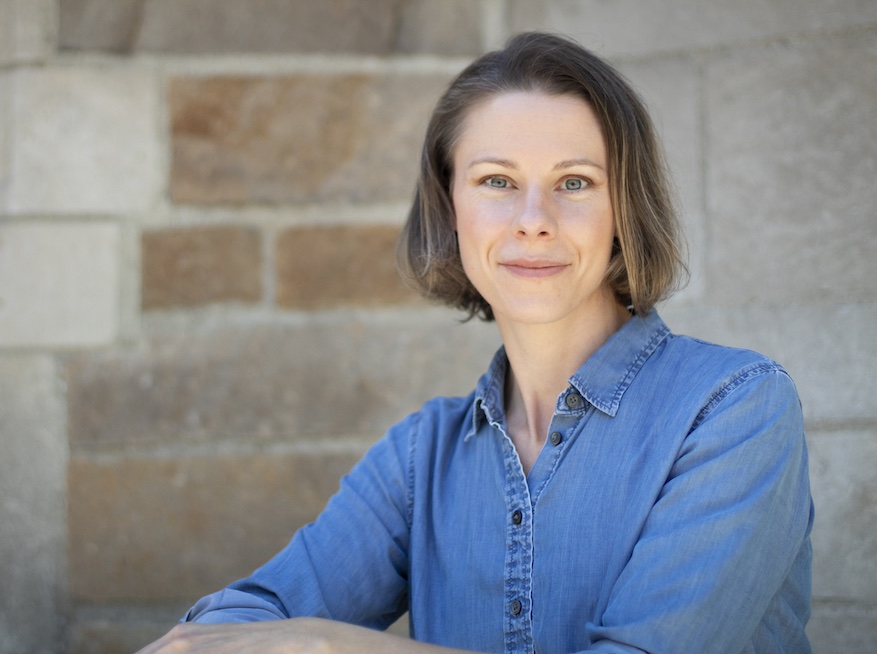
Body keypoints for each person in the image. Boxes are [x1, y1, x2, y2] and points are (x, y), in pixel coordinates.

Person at [139, 32, 813, 654]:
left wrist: (336, 645)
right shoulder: (419, 457)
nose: (532, 222)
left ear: (623, 209)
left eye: (573, 183)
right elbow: (249, 613)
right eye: (497, 181)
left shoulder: (733, 409)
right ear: (449, 205)